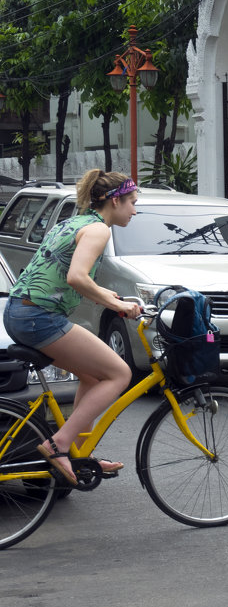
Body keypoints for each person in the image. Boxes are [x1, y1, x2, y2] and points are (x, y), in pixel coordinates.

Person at [4, 170, 142, 484]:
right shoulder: (97, 230)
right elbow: (77, 277)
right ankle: (59, 444)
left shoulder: (75, 222)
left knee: (93, 376)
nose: (134, 210)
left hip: (22, 311)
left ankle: (78, 453)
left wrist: (112, 296)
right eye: (132, 202)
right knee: (120, 373)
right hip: (37, 317)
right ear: (115, 200)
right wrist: (116, 305)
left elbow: (72, 275)